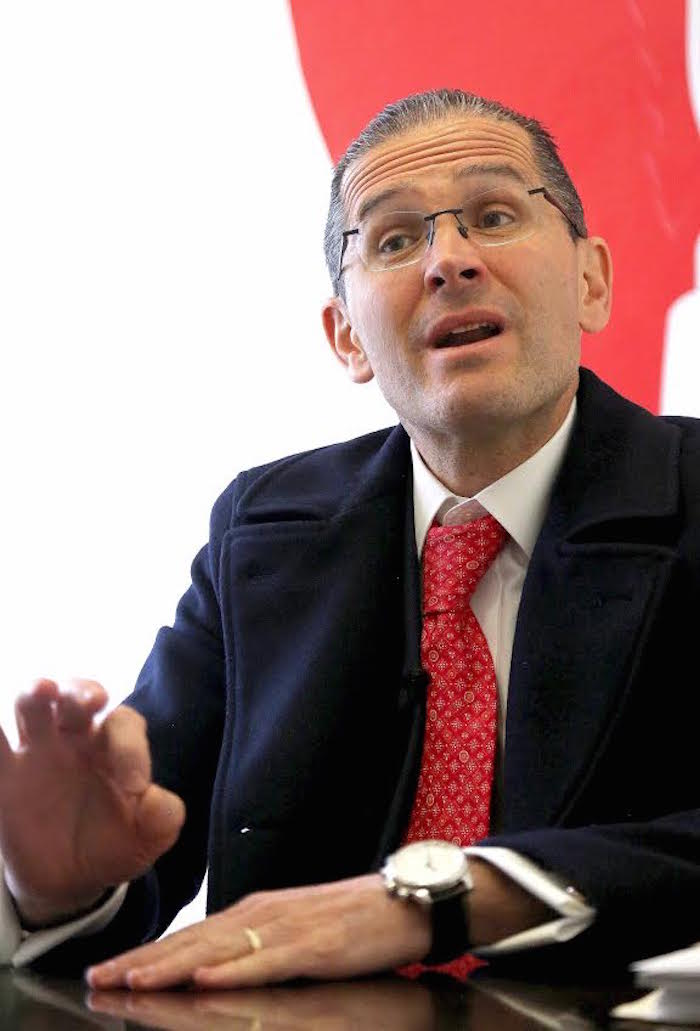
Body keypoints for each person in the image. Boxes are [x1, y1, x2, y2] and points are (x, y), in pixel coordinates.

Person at [0, 89, 698, 990]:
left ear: (591, 281)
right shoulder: (262, 535)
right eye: (396, 240)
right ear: (346, 338)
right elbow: (134, 847)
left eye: (494, 215)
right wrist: (56, 890)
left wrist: (450, 898)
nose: (450, 261)